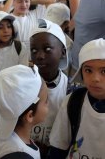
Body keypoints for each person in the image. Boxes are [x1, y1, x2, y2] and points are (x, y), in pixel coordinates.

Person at [48, 38, 105, 159]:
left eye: (104, 71)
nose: (95, 78)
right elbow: (58, 147)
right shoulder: (74, 101)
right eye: (88, 70)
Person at [0, 64, 48, 158]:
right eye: (46, 101)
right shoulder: (18, 154)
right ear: (30, 115)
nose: (48, 105)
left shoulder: (1, 131)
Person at [29, 19, 68, 157]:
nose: (39, 56)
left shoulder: (69, 91)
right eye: (34, 50)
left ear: (63, 52)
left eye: (47, 49)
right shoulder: (22, 85)